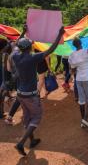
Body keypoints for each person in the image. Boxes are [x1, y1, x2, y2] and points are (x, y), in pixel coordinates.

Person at [12, 25, 65, 156]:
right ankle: (21, 143)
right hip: (31, 94)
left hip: (20, 94)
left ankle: (33, 140)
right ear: (30, 47)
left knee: (27, 116)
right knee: (36, 116)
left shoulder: (15, 56)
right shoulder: (32, 57)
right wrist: (59, 34)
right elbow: (51, 49)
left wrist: (23, 32)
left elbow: (15, 46)